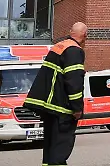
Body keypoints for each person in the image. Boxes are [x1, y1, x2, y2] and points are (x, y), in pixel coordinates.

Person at [23, 22, 87, 166]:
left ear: (71, 32)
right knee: (60, 149)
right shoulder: (75, 51)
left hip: (49, 107)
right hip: (62, 109)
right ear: (84, 36)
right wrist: (77, 108)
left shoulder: (58, 47)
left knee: (50, 148)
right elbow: (74, 82)